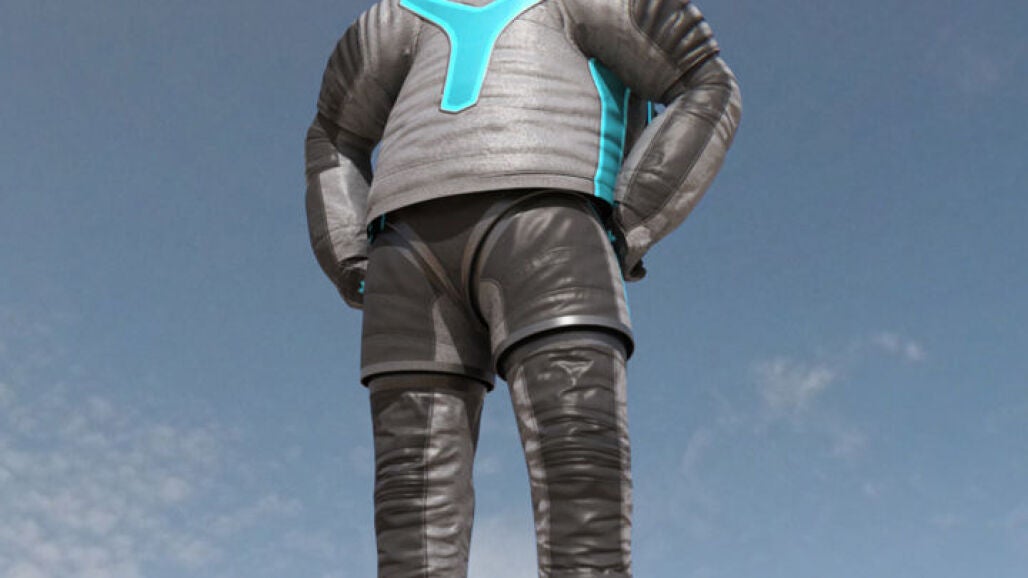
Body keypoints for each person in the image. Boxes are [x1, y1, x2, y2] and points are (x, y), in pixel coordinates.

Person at [304, 0, 741, 576]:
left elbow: (705, 84)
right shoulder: (396, 15)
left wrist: (631, 216)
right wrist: (347, 251)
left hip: (521, 230)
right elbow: (334, 136)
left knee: (572, 468)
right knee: (421, 502)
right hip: (454, 247)